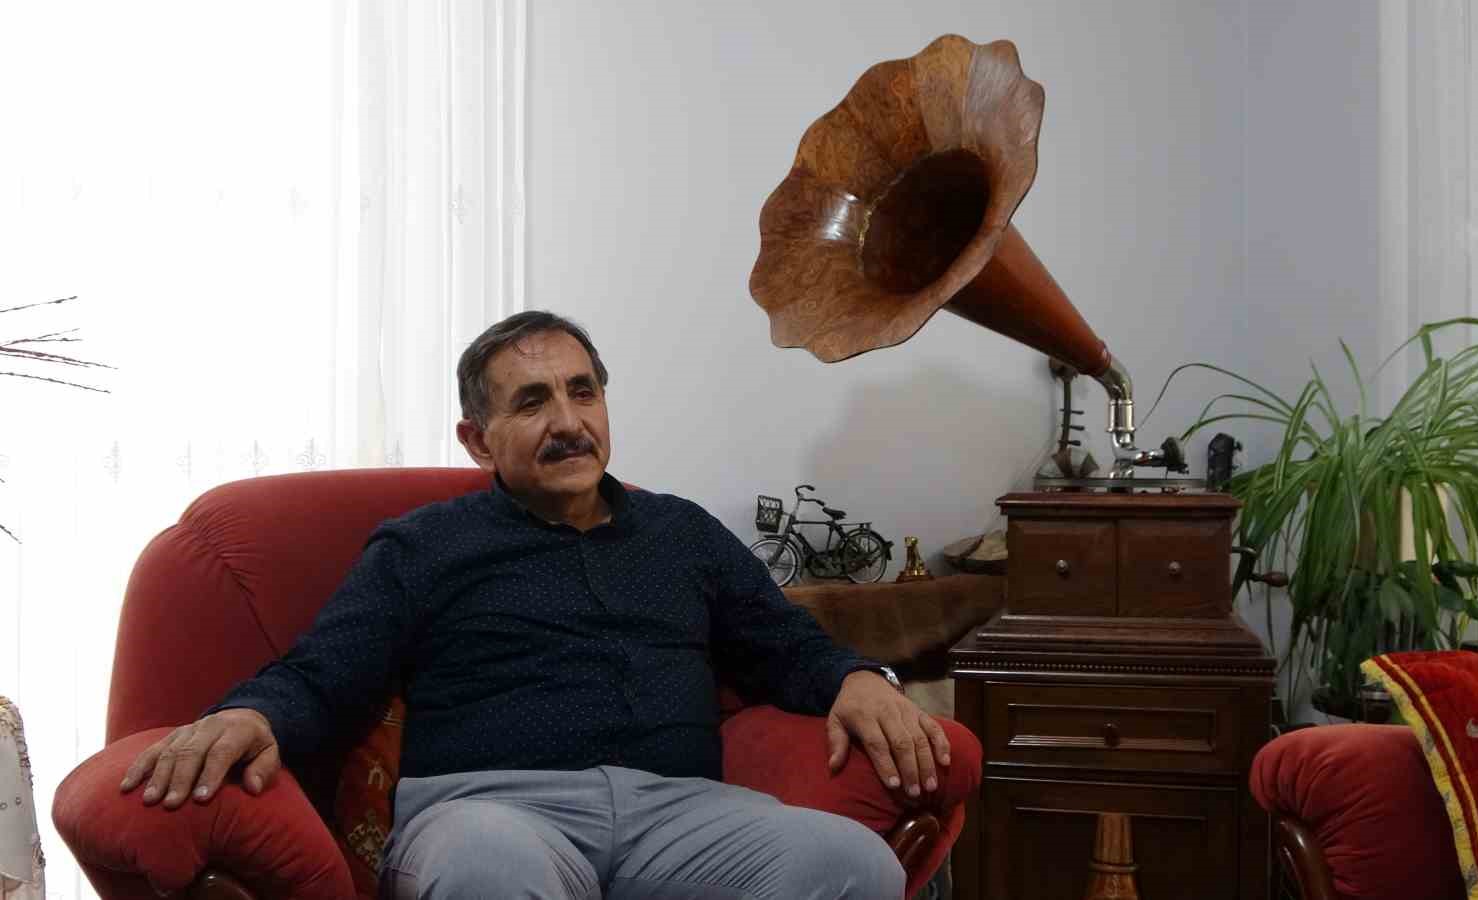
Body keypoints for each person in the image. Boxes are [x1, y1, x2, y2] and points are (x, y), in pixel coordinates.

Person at [119, 311, 952, 900]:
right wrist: (253, 715)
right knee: (490, 876)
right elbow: (327, 668)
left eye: (582, 393)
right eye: (531, 402)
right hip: (491, 812)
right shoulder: (425, 544)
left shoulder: (681, 532)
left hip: (683, 813)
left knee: (852, 866)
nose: (568, 422)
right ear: (477, 440)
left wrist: (859, 679)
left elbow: (786, 644)